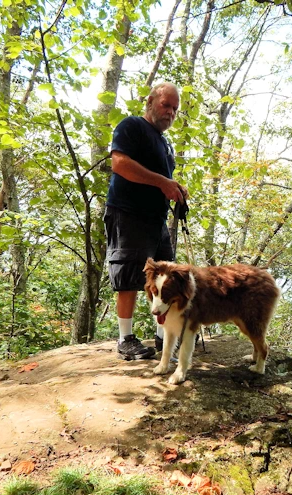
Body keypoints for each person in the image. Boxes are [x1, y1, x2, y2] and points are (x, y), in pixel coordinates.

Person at [105, 82, 188, 360]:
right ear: (151, 101)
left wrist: (174, 188)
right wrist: (162, 181)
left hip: (156, 220)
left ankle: (163, 337)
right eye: (166, 105)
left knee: (166, 277)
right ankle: (125, 339)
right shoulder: (131, 126)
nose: (170, 113)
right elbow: (120, 163)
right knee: (129, 274)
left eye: (175, 109)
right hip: (128, 212)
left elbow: (161, 180)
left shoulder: (165, 142)